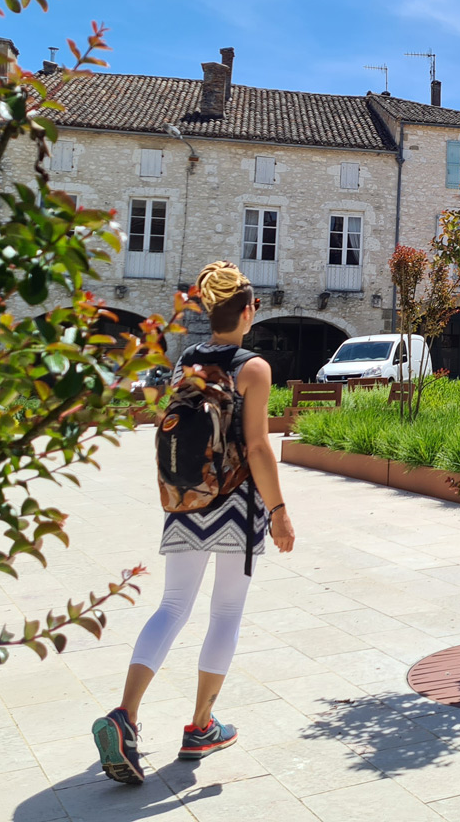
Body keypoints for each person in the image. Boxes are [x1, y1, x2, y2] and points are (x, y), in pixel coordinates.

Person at [91, 261, 295, 785]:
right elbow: (255, 446)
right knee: (224, 612)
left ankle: (125, 715)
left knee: (172, 606)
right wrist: (279, 511)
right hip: (234, 506)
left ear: (209, 311)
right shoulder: (253, 368)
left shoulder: (190, 361)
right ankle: (201, 725)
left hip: (183, 499)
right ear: (248, 311)